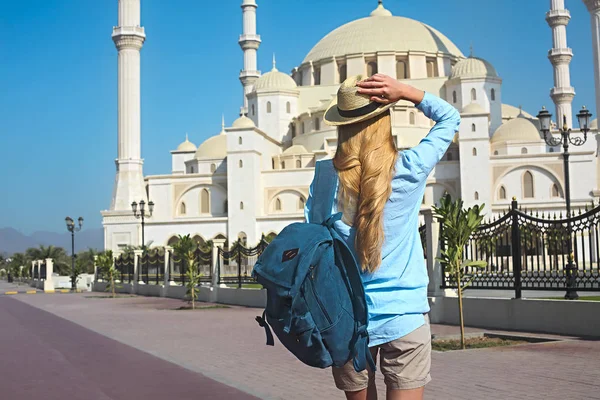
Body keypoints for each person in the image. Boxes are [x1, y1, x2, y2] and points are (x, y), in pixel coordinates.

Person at [304, 74, 460, 400]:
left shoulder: (325, 179)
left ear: (340, 126)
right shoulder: (409, 167)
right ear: (383, 121)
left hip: (346, 324)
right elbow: (450, 117)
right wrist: (406, 92)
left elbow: (316, 237)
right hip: (404, 319)